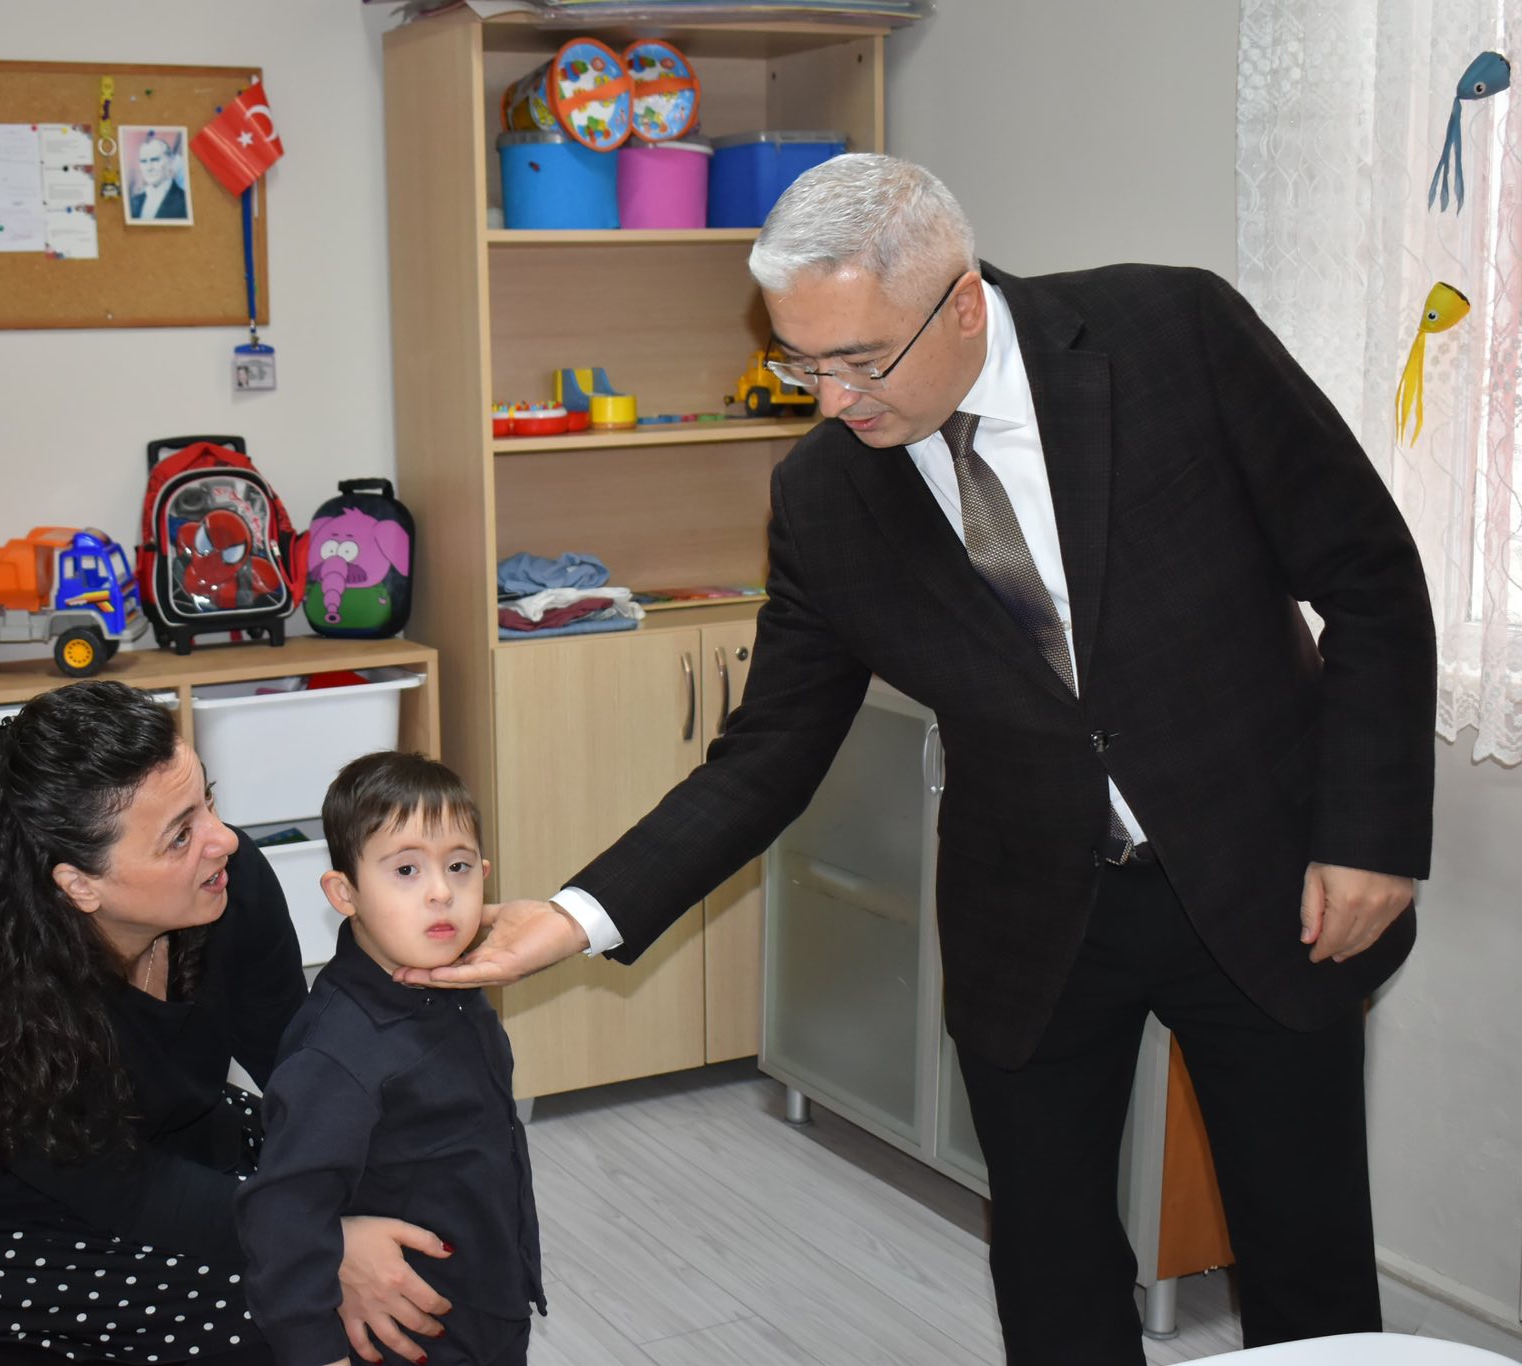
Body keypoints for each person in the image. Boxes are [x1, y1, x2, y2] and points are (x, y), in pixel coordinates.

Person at [401, 155, 1438, 1363]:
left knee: (1305, 1253)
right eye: (801, 363)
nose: (832, 400)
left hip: (1268, 872)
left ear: (961, 303)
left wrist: (1368, 837)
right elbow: (766, 752)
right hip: (1032, 911)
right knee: (1048, 1265)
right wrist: (578, 914)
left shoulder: (1171, 333)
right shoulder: (824, 497)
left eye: (859, 359)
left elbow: (1367, 576)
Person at [0, 681, 455, 1366]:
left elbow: (298, 1059)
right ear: (80, 884)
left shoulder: (225, 883)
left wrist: (396, 1149)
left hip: (163, 1138)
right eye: (180, 835)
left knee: (406, 1204)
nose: (223, 840)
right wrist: (324, 1241)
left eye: (207, 801)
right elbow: (130, 1194)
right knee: (291, 1309)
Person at [237, 752, 543, 1366]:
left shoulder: (454, 990)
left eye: (459, 867)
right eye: (406, 869)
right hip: (407, 1326)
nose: (441, 892)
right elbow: (285, 1217)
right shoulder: (337, 1053)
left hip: (489, 1296)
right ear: (344, 892)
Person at [131, 131, 188, 222]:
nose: (149, 168)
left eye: (155, 160)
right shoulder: (134, 202)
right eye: (143, 161)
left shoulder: (185, 201)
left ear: (170, 161)